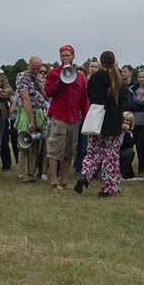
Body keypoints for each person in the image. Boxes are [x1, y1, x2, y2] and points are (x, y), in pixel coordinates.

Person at [75, 51, 127, 196]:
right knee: (110, 157)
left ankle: (85, 174)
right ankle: (107, 189)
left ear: (101, 62)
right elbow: (124, 100)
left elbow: (89, 94)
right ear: (113, 61)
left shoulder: (94, 78)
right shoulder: (119, 80)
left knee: (92, 152)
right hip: (113, 122)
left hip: (96, 120)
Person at [44, 45, 88, 190]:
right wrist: (60, 80)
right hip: (59, 116)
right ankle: (53, 181)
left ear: (73, 56)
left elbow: (83, 100)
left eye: (67, 55)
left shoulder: (80, 77)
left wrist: (86, 117)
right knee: (55, 148)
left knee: (69, 150)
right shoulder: (54, 73)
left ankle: (64, 179)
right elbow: (49, 92)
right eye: (63, 56)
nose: (65, 58)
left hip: (74, 118)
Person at [14, 56, 48, 183]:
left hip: (39, 112)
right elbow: (26, 99)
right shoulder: (22, 77)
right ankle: (23, 176)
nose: (36, 72)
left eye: (38, 70)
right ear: (28, 65)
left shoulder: (40, 78)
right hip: (26, 112)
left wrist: (39, 84)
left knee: (35, 145)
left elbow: (47, 98)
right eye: (33, 69)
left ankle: (31, 174)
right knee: (24, 144)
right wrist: (31, 120)